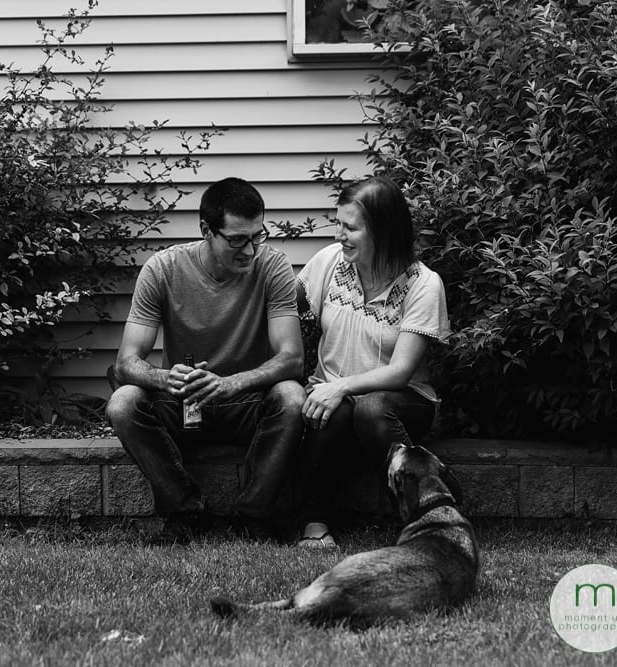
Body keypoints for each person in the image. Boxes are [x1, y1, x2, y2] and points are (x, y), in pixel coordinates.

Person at [106, 177, 306, 545]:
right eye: (237, 240)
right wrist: (165, 379)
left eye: (257, 236)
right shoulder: (162, 269)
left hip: (246, 402)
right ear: (206, 230)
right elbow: (126, 363)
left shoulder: (273, 267)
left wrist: (231, 383)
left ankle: (255, 516)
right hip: (186, 402)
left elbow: (292, 358)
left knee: (292, 396)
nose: (250, 250)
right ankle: (185, 513)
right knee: (123, 403)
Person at [294, 175, 451, 548]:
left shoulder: (423, 284)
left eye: (350, 228)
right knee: (330, 409)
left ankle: (426, 520)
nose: (339, 235)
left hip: (401, 402)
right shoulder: (329, 263)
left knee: (368, 408)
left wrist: (341, 386)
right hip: (335, 397)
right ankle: (314, 527)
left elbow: (400, 373)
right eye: (339, 224)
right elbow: (282, 306)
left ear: (383, 230)